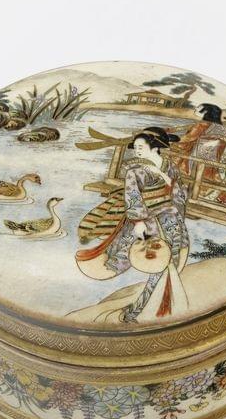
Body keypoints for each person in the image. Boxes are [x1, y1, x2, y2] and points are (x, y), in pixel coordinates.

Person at [75, 127, 190, 323]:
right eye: (135, 147)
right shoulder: (134, 170)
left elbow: (178, 191)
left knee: (172, 258)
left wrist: (174, 203)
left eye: (140, 147)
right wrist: (138, 221)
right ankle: (140, 311)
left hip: (170, 217)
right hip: (147, 220)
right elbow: (132, 196)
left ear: (155, 147)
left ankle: (154, 307)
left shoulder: (169, 166)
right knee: (148, 258)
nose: (136, 150)